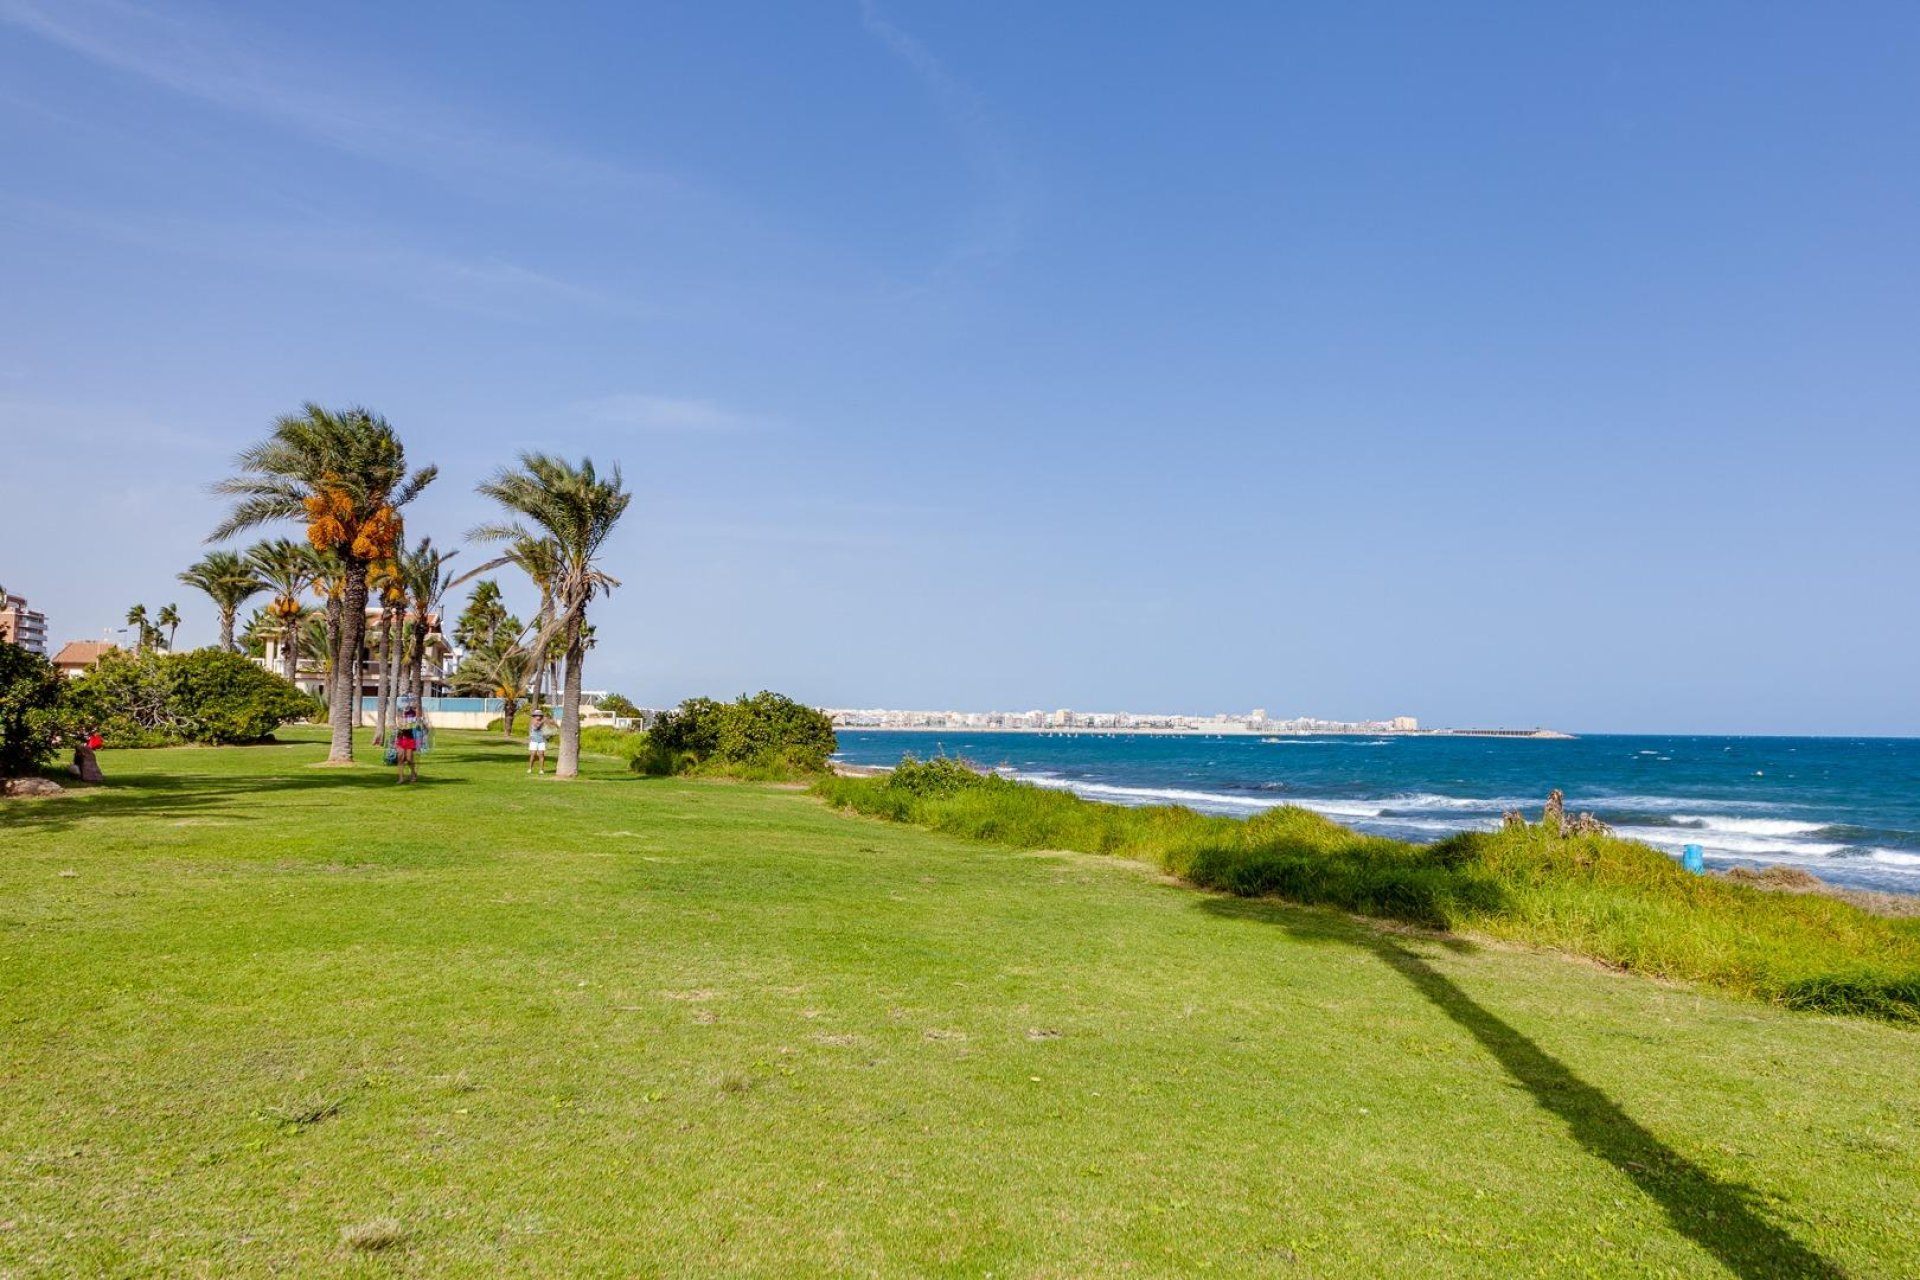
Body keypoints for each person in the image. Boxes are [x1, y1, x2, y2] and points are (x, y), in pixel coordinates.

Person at [394, 700, 422, 784]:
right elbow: (398, 725)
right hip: (400, 739)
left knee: (409, 759)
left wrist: (411, 724)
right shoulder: (399, 714)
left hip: (409, 739)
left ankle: (413, 774)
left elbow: (417, 724)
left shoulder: (412, 714)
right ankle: (401, 778)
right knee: (400, 758)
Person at [527, 708, 549, 775]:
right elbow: (537, 727)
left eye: (539, 715)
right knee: (533, 754)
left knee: (541, 754)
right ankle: (530, 768)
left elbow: (547, 729)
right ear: (534, 716)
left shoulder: (543, 722)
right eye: (537, 715)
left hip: (542, 740)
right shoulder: (533, 721)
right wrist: (543, 721)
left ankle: (541, 770)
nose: (538, 716)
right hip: (534, 740)